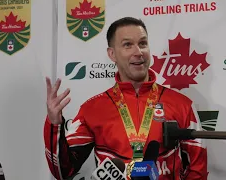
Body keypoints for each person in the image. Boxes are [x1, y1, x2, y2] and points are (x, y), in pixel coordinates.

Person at [44, 17, 208, 180]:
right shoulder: (92, 109)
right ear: (112, 54)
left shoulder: (182, 104)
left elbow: (197, 170)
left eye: (143, 43)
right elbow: (63, 171)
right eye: (128, 45)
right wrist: (54, 125)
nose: (138, 52)